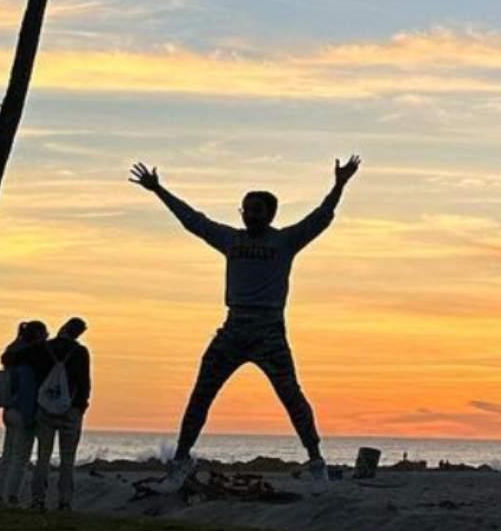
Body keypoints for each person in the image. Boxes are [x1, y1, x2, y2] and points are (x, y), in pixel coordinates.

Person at [132, 156, 361, 489]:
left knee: (291, 395)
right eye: (246, 209)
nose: (250, 214)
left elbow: (321, 218)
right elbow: (193, 220)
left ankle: (315, 461)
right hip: (233, 327)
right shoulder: (231, 240)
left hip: (269, 329)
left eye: (256, 210)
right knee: (202, 394)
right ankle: (181, 461)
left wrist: (339, 185)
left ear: (270, 214)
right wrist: (158, 190)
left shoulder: (285, 241)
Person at [30, 316, 92, 512]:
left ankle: (37, 499)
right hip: (70, 409)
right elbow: (84, 382)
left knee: (43, 456)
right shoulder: (80, 352)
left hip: (45, 407)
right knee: (67, 459)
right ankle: (64, 501)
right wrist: (81, 407)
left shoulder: (44, 349)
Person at [0, 321, 52, 508]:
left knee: (8, 454)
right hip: (22, 410)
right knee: (21, 457)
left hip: (8, 410)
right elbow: (27, 392)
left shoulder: (12, 357)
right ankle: (12, 496)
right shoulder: (28, 363)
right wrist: (29, 416)